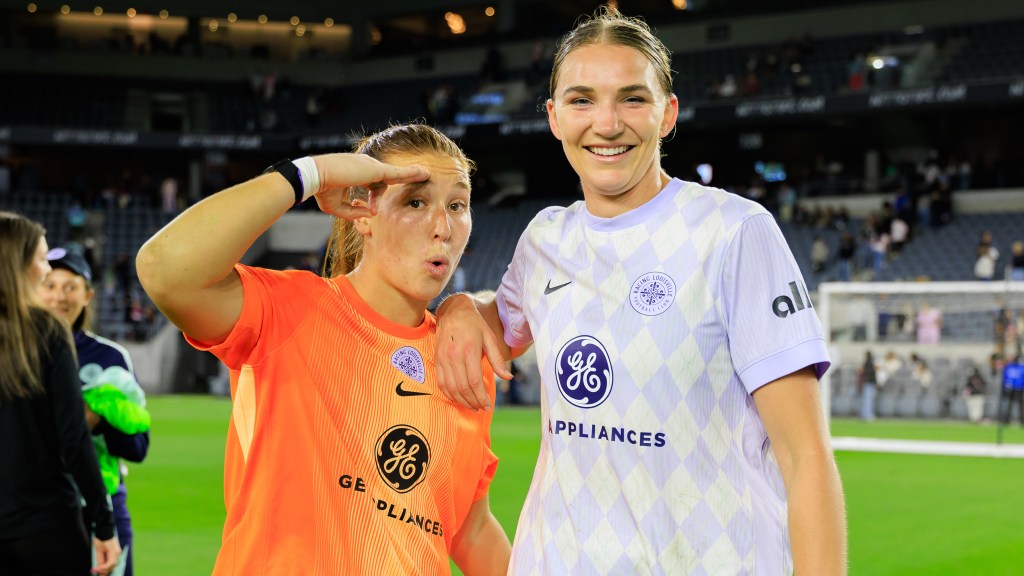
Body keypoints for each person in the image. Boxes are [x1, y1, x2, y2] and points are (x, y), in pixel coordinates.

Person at [433, 9, 846, 575]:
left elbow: (806, 459)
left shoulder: (733, 233)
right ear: (554, 117)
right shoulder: (546, 239)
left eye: (632, 98)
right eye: (581, 100)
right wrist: (462, 304)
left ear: (667, 113)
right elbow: (498, 326)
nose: (606, 124)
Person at [135, 124, 510, 575]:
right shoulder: (289, 311)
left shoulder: (462, 355)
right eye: (415, 202)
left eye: (457, 206)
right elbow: (164, 268)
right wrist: (310, 174)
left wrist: (467, 304)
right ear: (363, 212)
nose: (443, 228)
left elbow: (469, 528)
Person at [0, 211, 121, 575]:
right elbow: (73, 438)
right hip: (47, 526)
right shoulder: (48, 330)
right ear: (20, 263)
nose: (47, 268)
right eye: (42, 257)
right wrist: (104, 524)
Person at [39, 248, 151, 576]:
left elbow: (138, 447)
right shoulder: (15, 354)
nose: (59, 296)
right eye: (49, 285)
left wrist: (97, 420)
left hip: (103, 506)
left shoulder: (110, 358)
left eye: (70, 287)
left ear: (88, 295)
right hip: (35, 509)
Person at [858, 351, 878, 421]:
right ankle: (867, 414)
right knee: (868, 400)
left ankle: (866, 414)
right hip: (869, 383)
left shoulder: (868, 363)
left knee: (867, 400)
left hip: (868, 383)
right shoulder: (870, 363)